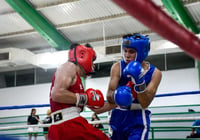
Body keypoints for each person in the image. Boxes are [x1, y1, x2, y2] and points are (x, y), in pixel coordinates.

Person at [93, 33, 162, 140]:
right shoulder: (117, 67)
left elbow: (145, 103)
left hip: (138, 116)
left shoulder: (155, 73)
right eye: (125, 50)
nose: (127, 55)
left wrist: (139, 83)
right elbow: (109, 94)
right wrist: (118, 95)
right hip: (118, 115)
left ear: (142, 52)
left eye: (131, 51)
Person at [48, 43, 109, 140]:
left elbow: (97, 109)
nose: (92, 65)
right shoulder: (69, 66)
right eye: (92, 61)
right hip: (69, 125)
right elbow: (57, 94)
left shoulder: (77, 81)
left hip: (62, 127)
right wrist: (85, 98)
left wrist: (119, 103)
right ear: (83, 55)